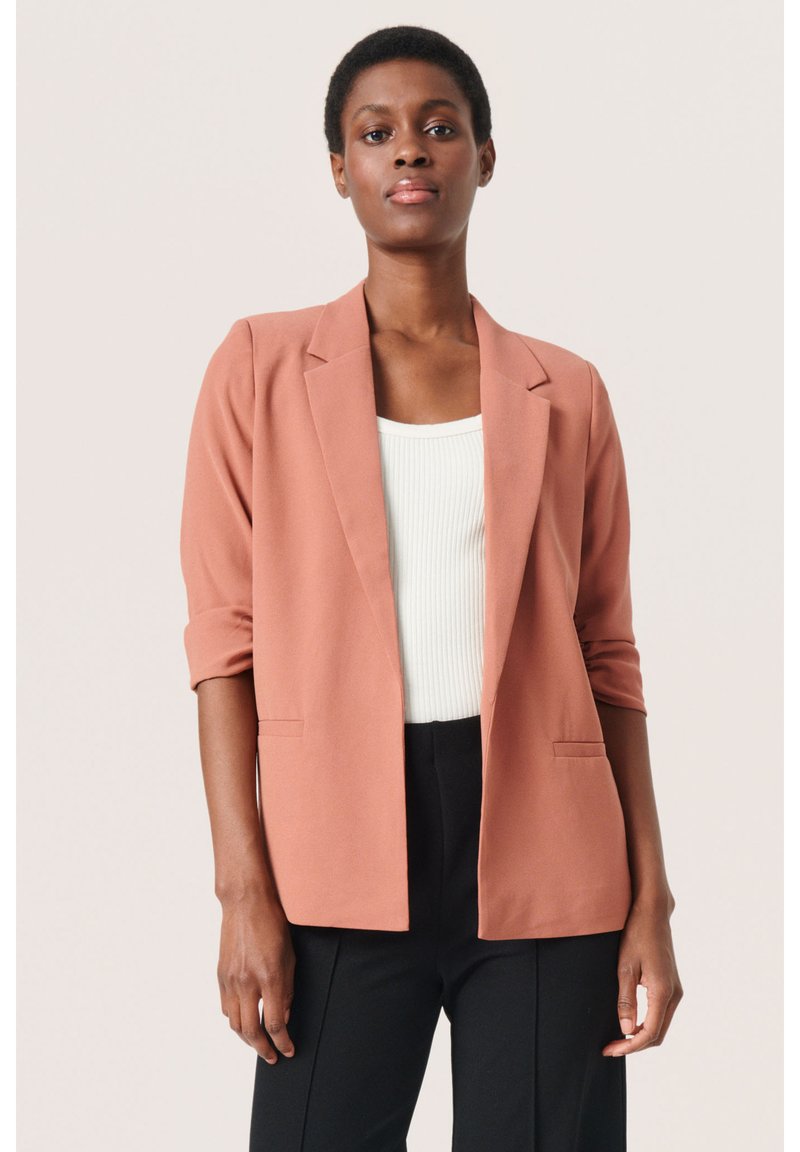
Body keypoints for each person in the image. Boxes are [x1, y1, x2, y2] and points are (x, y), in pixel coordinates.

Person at [179, 24, 683, 1152]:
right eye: (377, 132)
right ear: (339, 168)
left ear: (483, 158)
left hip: (548, 850)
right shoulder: (258, 369)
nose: (409, 149)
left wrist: (650, 893)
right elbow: (223, 646)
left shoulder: (566, 392)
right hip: (333, 851)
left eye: (438, 127)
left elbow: (608, 655)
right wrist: (241, 892)